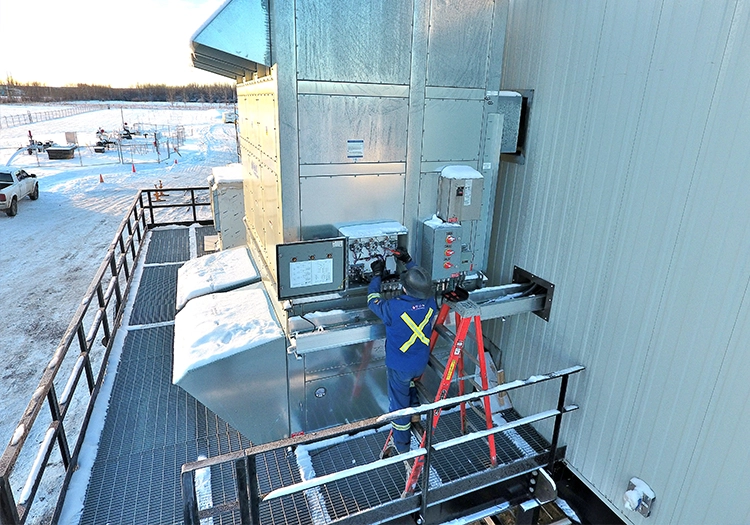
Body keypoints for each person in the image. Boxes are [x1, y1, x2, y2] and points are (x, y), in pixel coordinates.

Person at [368, 247, 437, 457]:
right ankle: (415, 412)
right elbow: (422, 284)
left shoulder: (392, 308)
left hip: (399, 366)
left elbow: (372, 300)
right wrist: (408, 261)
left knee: (398, 406)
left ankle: (403, 446)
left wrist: (376, 276)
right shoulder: (430, 302)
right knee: (410, 385)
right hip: (420, 362)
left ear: (404, 289)